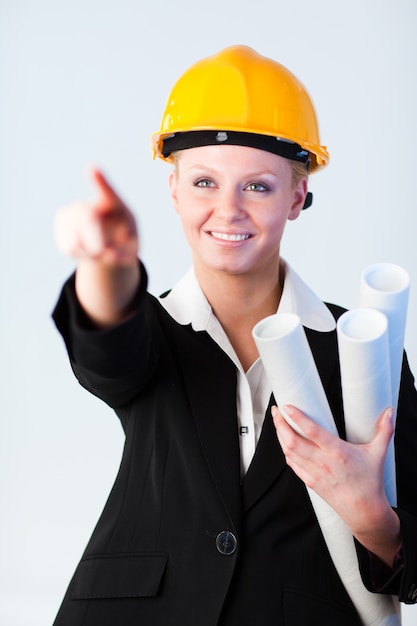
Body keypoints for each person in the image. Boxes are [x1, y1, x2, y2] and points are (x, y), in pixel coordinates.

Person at [52, 45, 417, 625]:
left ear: (297, 196)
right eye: (203, 182)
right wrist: (109, 263)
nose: (228, 210)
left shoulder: (361, 348)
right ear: (173, 191)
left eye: (258, 187)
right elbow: (106, 352)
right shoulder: (154, 331)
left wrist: (371, 515)